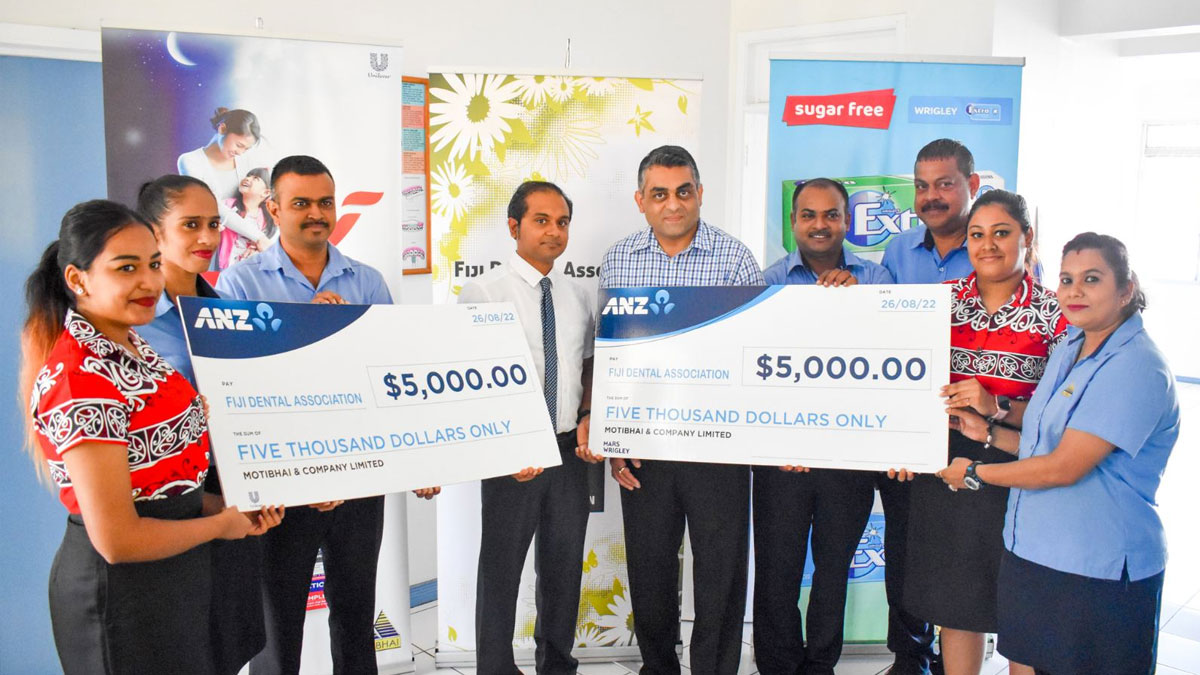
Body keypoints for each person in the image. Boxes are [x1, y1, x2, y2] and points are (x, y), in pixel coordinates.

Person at [20, 199, 282, 674]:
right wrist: (221, 525)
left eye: (154, 264)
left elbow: (165, 484)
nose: (149, 282)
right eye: (126, 268)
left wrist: (229, 509)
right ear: (78, 279)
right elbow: (117, 539)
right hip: (122, 594)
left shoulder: (133, 346)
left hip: (177, 573)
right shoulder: (81, 377)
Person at [218, 155, 438, 675]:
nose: (316, 213)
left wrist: (420, 458)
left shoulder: (367, 283)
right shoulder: (240, 285)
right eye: (301, 203)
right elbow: (234, 386)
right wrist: (306, 331)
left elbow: (392, 378)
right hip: (282, 484)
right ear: (274, 209)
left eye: (325, 202)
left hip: (360, 476)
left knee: (358, 616)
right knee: (277, 630)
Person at [939, 233, 1177, 675]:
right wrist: (988, 432)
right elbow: (1041, 444)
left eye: (1092, 279)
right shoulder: (1072, 344)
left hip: (1098, 568)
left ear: (1126, 289)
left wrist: (974, 473)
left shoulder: (1136, 365)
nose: (1074, 291)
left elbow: (1064, 467)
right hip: (1033, 554)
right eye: (1067, 279)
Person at [599, 145, 762, 675]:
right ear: (640, 200)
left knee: (721, 571)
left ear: (700, 193)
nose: (673, 204)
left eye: (683, 191)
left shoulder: (735, 259)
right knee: (649, 569)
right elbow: (611, 354)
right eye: (660, 194)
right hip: (645, 448)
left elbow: (753, 354)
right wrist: (615, 442)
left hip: (719, 445)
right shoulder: (619, 260)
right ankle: (658, 666)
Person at [894, 190, 1063, 675]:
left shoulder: (1056, 314)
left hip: (1019, 469)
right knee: (955, 606)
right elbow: (901, 381)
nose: (987, 245)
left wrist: (997, 407)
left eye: (1001, 233)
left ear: (1027, 237)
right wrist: (898, 437)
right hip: (945, 467)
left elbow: (1063, 417)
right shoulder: (938, 303)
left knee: (1022, 609)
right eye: (977, 234)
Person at [136, 174, 282, 675]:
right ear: (153, 232)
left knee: (229, 643)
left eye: (214, 224)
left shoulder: (229, 313)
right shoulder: (131, 322)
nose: (206, 237)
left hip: (233, 490)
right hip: (166, 505)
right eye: (190, 225)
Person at [460, 181, 602, 675]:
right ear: (513, 226)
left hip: (566, 451)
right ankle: (495, 667)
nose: (554, 231)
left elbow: (586, 367)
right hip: (512, 453)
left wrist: (586, 418)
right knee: (501, 568)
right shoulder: (483, 293)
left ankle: (557, 664)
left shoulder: (576, 295)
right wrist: (505, 447)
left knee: (563, 567)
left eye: (562, 222)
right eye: (541, 220)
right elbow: (470, 380)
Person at [755, 178, 894, 675]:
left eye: (831, 214)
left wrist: (860, 306)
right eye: (809, 215)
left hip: (848, 457)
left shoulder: (877, 280)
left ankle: (820, 665)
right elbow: (751, 369)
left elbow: (895, 358)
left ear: (847, 221)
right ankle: (778, 664)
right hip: (781, 459)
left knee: (833, 571)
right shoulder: (767, 283)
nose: (820, 224)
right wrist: (776, 442)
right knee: (778, 570)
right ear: (793, 221)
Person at [877, 138, 981, 675]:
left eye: (945, 184)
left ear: (972, 185)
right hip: (908, 428)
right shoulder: (897, 252)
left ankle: (955, 660)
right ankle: (909, 656)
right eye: (922, 186)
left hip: (975, 431)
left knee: (962, 555)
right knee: (905, 549)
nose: (931, 196)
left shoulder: (991, 250)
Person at [177, 107, 273, 255]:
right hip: (210, 245)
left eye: (246, 149)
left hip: (242, 247)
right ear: (222, 129)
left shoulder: (246, 161)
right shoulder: (190, 161)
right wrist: (258, 237)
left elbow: (261, 204)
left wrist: (256, 245)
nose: (240, 152)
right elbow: (213, 207)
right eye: (239, 145)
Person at [219, 167, 277, 270]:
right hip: (224, 266)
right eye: (248, 176)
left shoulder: (266, 219)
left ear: (265, 193)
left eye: (255, 178)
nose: (247, 179)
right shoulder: (227, 205)